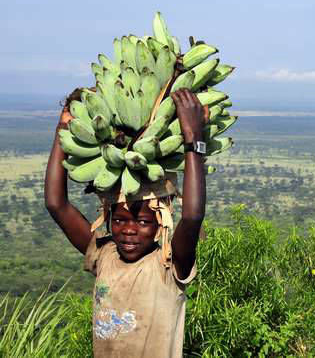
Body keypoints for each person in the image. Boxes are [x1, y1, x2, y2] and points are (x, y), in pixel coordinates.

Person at [44, 88, 208, 358]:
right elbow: (56, 204)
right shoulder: (103, 254)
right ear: (107, 219)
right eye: (119, 220)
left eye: (143, 221)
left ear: (160, 224)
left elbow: (191, 216)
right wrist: (62, 129)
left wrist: (193, 141)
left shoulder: (169, 265)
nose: (129, 230)